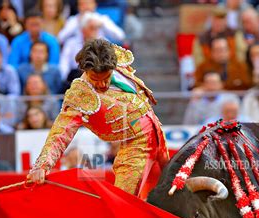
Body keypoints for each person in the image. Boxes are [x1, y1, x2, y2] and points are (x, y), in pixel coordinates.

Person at [27, 39, 169, 199]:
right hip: (133, 145)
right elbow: (60, 133)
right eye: (95, 79)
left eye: (106, 77)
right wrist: (42, 165)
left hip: (157, 134)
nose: (102, 84)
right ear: (86, 70)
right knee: (125, 204)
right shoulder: (80, 94)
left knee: (170, 191)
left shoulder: (117, 62)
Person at [58, 0, 125, 44]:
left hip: (99, 55)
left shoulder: (102, 19)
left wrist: (102, 24)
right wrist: (78, 23)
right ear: (78, 7)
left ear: (94, 4)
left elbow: (121, 36)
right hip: (77, 57)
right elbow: (60, 38)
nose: (86, 7)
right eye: (82, 4)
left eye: (88, 3)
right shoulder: (73, 20)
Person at [59, 12, 102, 81]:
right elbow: (64, 64)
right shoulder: (71, 43)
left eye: (96, 28)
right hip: (75, 77)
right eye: (91, 28)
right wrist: (64, 80)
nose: (95, 31)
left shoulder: (104, 43)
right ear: (83, 30)